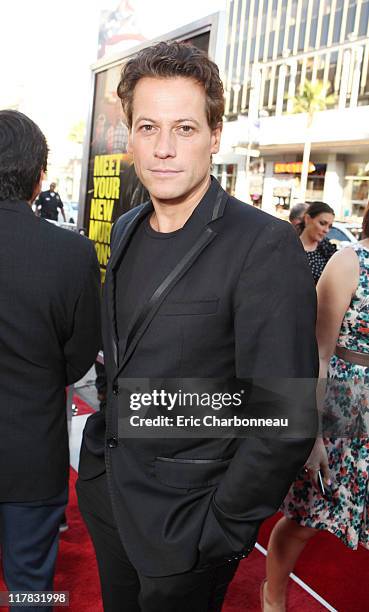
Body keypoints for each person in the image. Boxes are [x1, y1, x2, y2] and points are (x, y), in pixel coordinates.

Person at [77, 42, 318, 612]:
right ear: (130, 135)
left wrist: (220, 528)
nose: (163, 148)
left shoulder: (263, 245)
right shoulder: (130, 224)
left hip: (190, 525)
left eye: (184, 127)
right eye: (148, 126)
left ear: (215, 135)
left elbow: (282, 415)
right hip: (109, 496)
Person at [0, 110, 101, 610]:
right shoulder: (71, 253)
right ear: (40, 176)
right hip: (32, 454)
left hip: (32, 454)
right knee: (31, 592)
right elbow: (79, 355)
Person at [263, 205, 369, 612]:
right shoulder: (348, 261)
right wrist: (313, 431)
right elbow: (319, 354)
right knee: (307, 517)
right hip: (342, 407)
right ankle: (272, 594)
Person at [299, 200, 336, 283]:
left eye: (330, 226)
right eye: (322, 223)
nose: (326, 230)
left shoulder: (328, 250)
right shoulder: (289, 245)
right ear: (307, 219)